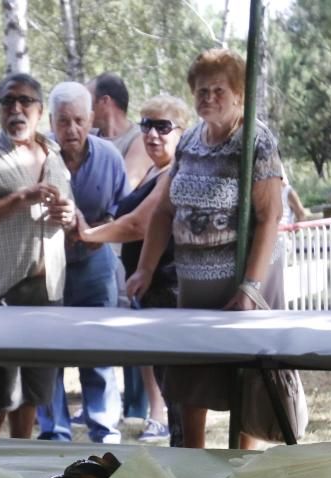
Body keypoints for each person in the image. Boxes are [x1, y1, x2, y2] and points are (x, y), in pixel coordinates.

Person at [125, 48, 288, 450]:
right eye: (201, 90)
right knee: (190, 383)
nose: (208, 98)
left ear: (238, 95)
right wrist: (145, 269)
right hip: (194, 285)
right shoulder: (191, 140)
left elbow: (270, 216)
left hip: (245, 284)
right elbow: (163, 211)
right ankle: (191, 466)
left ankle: (241, 470)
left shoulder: (256, 141)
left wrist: (250, 286)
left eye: (218, 90)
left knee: (246, 381)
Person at [0, 73, 76, 439]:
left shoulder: (54, 154)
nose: (16, 109)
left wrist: (69, 217)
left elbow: (68, 212)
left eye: (25, 102)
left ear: (40, 111)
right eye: (9, 102)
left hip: (47, 291)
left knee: (34, 393)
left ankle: (19, 464)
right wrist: (18, 199)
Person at [78, 95, 192, 445]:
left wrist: (87, 233)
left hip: (168, 288)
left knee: (178, 392)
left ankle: (183, 458)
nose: (153, 134)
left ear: (181, 133)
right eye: (147, 125)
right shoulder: (156, 172)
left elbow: (138, 226)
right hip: (152, 290)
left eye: (163, 126)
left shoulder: (173, 173)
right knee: (168, 384)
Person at [35, 81, 127, 444]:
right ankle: (53, 432)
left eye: (78, 120)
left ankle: (104, 431)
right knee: (48, 352)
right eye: (63, 121)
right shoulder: (39, 154)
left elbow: (123, 213)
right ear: (51, 121)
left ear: (91, 119)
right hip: (46, 266)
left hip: (95, 262)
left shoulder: (109, 157)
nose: (71, 130)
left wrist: (91, 233)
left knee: (97, 349)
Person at [87, 73, 152, 190]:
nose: (83, 106)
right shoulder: (88, 136)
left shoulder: (140, 139)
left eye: (87, 99)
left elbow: (123, 189)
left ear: (105, 101)